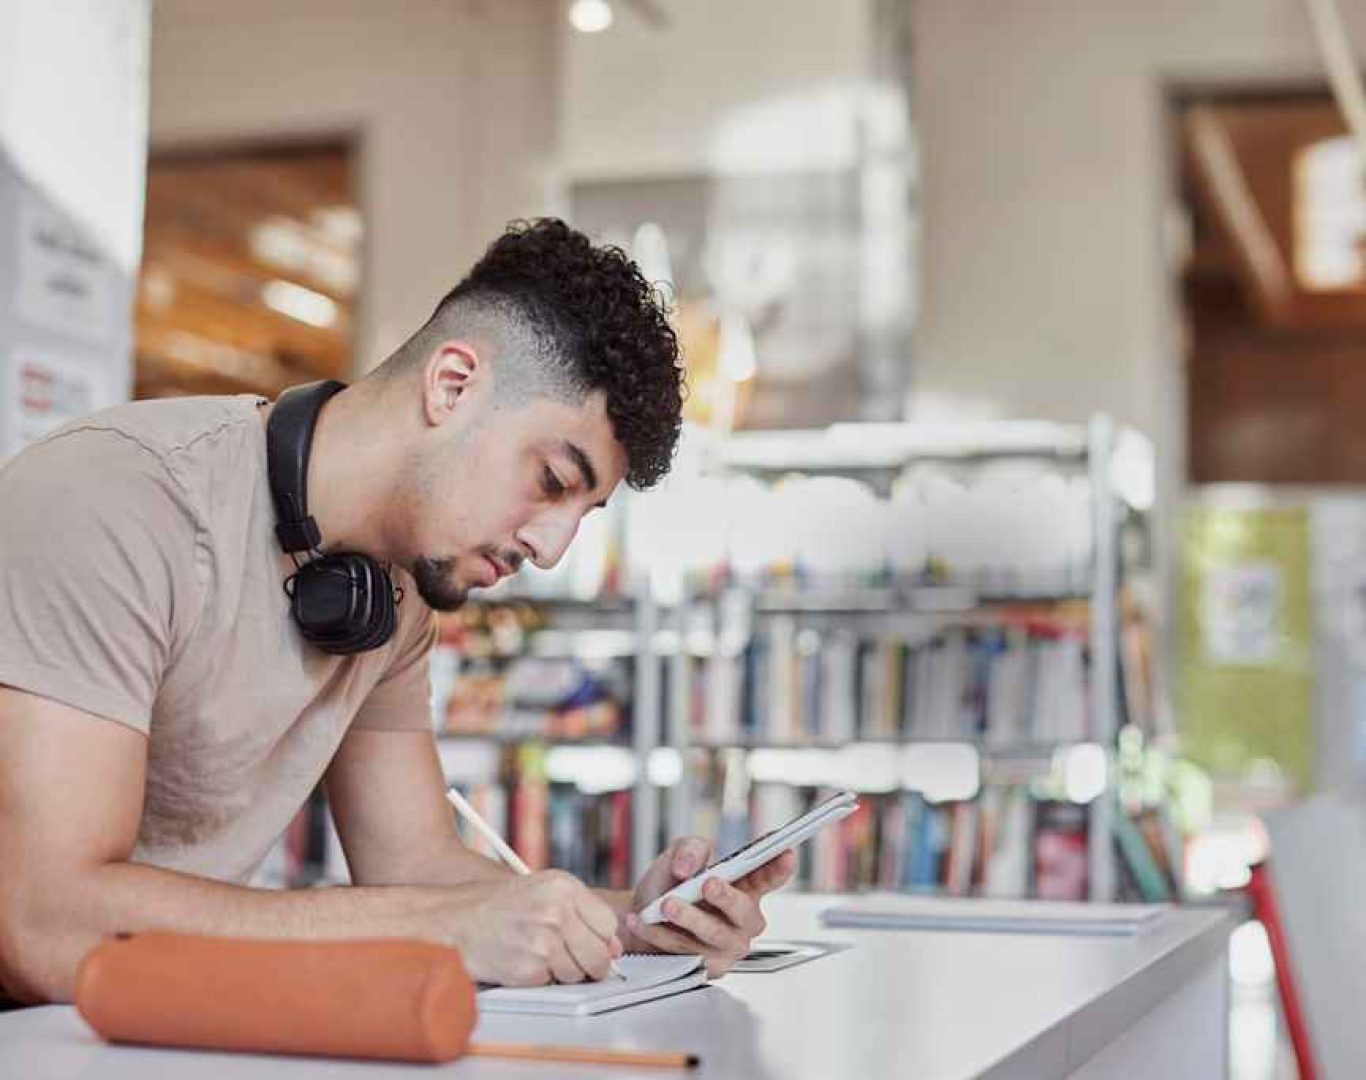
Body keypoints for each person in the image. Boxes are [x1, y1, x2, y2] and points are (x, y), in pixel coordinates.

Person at [0, 219, 795, 1006]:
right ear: (453, 385)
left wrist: (632, 925)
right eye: (553, 479)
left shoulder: (396, 596)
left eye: (581, 515)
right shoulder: (114, 501)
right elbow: (44, 926)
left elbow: (416, 867)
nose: (551, 550)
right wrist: (435, 927)